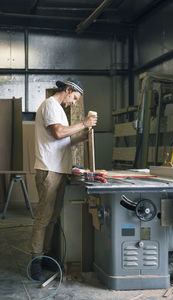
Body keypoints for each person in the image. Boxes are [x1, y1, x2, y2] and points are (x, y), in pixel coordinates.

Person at [31, 78, 97, 281]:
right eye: (75, 98)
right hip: (49, 169)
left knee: (52, 217)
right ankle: (35, 262)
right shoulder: (51, 105)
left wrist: (83, 136)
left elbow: (64, 140)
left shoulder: (58, 109)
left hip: (59, 170)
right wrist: (83, 124)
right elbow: (59, 133)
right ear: (68, 90)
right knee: (43, 217)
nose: (74, 103)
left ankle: (46, 256)